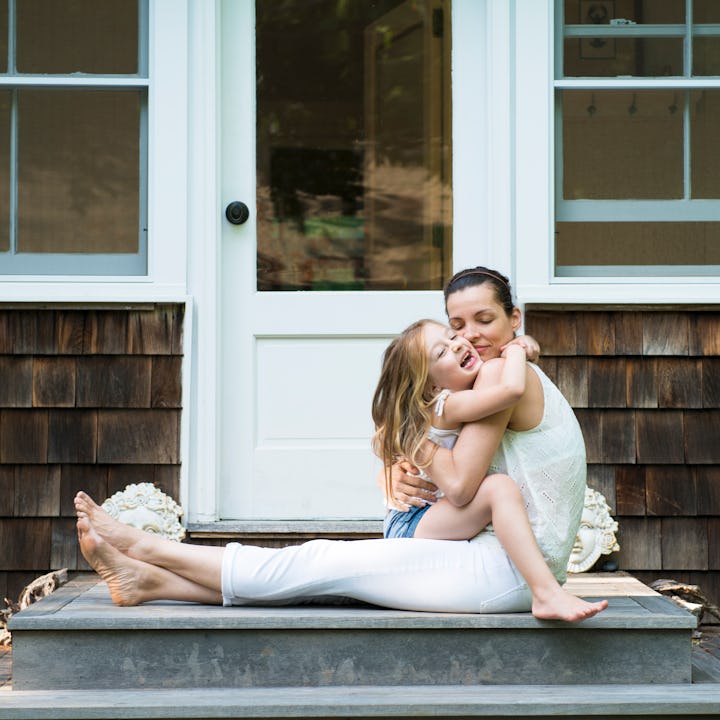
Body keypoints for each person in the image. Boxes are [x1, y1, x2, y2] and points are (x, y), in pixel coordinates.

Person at [74, 265, 608, 621]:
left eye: (484, 321)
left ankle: (150, 547)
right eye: (456, 325)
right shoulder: (482, 377)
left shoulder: (499, 378)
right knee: (331, 573)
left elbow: (465, 484)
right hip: (495, 561)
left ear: (516, 319)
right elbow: (406, 436)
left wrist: (513, 355)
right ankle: (151, 583)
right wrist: (398, 465)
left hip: (507, 572)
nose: (469, 337)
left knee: (323, 562)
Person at [372, 318, 603, 618]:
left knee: (498, 488)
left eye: (452, 336)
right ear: (432, 385)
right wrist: (517, 350)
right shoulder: (445, 407)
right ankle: (546, 594)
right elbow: (511, 391)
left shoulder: (441, 407)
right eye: (441, 353)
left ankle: (547, 593)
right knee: (499, 489)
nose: (457, 344)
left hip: (427, 518)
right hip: (413, 523)